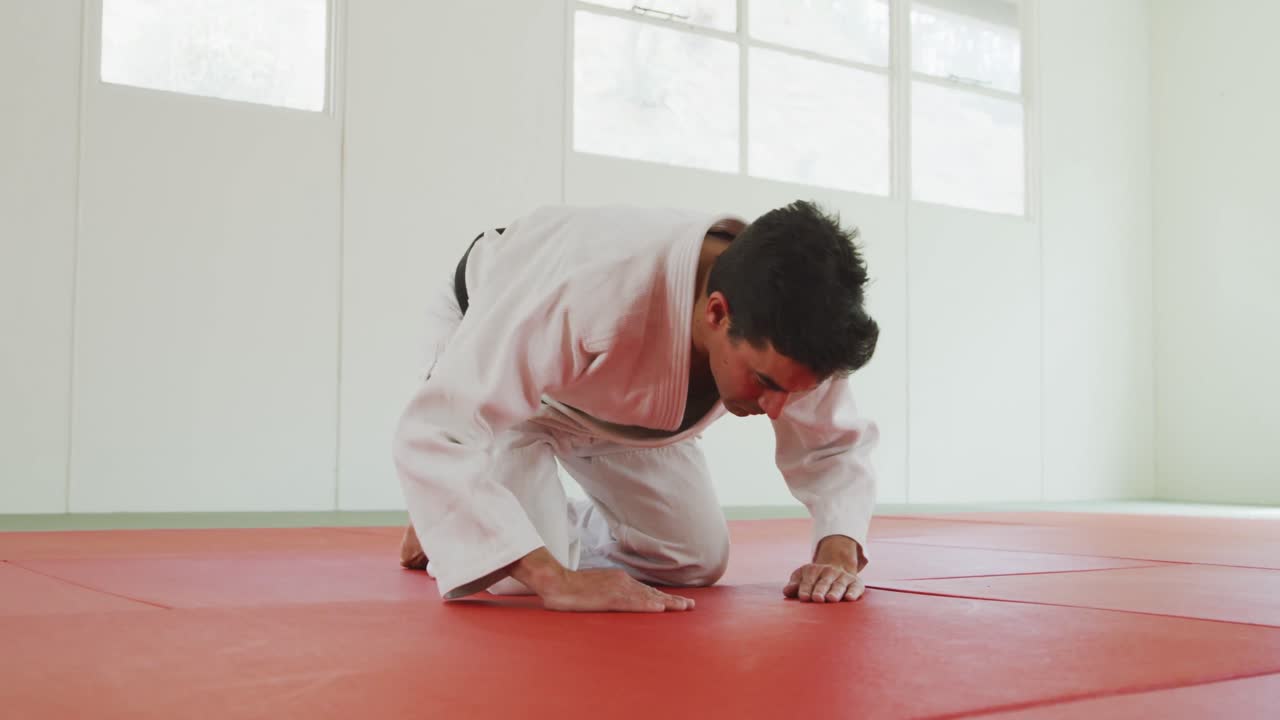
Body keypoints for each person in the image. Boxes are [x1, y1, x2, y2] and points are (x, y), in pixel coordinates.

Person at [392, 200, 880, 613]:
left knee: (693, 560)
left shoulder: (796, 321)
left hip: (612, 398)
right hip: (510, 377)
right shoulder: (584, 286)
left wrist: (837, 547)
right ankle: (457, 502)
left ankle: (476, 507)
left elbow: (830, 447)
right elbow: (441, 429)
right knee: (517, 579)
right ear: (716, 312)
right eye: (764, 382)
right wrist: (553, 576)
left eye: (793, 392)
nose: (778, 408)